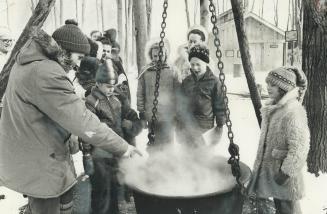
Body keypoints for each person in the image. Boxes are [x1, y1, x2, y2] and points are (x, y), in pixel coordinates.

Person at [0, 23, 140, 214]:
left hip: (33, 153)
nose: (78, 65)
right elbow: (83, 122)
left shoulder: (29, 62)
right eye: (79, 57)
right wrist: (123, 147)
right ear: (64, 50)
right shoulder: (47, 73)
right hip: (41, 162)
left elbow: (50, 109)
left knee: (62, 200)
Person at [247, 66, 310, 214]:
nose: (268, 88)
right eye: (268, 83)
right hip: (274, 170)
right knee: (281, 207)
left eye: (273, 85)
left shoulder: (293, 111)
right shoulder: (274, 108)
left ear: (284, 88)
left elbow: (300, 147)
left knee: (289, 208)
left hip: (285, 174)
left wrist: (286, 172)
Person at [84, 59, 143, 214]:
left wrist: (130, 125)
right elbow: (87, 131)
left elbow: (131, 116)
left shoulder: (117, 99)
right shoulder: (91, 102)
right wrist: (87, 154)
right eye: (108, 86)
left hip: (115, 152)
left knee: (114, 189)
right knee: (100, 191)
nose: (112, 89)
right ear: (98, 83)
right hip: (99, 154)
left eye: (113, 86)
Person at [176, 44, 225, 148]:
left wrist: (220, 126)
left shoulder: (214, 82)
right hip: (187, 127)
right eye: (192, 64)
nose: (195, 68)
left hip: (204, 128)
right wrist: (179, 128)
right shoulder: (186, 81)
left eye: (198, 64)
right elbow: (180, 106)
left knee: (203, 159)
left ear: (205, 63)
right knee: (186, 159)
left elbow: (220, 107)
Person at [137, 39, 179, 149]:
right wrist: (141, 111)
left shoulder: (172, 71)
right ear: (151, 56)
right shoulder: (145, 71)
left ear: (166, 54)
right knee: (153, 143)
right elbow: (140, 93)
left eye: (161, 55)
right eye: (155, 56)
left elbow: (178, 94)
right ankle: (153, 162)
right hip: (152, 115)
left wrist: (177, 113)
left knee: (168, 143)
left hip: (168, 116)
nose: (158, 58)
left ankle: (168, 163)